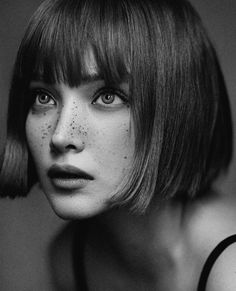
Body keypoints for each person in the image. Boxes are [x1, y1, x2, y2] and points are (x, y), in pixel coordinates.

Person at [0, 0, 235, 290]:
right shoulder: (69, 257)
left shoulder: (230, 268)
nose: (61, 136)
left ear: (178, 112)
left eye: (107, 96)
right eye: (44, 97)